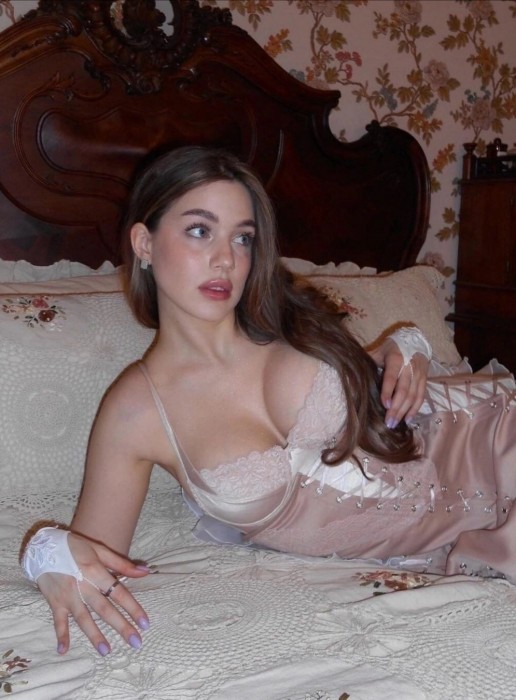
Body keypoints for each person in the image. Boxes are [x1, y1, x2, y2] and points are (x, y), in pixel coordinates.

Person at [21, 146, 516, 659]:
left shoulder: (286, 321)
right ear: (144, 242)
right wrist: (43, 553)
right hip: (460, 538)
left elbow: (383, 369)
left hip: (491, 438)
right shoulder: (136, 412)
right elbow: (90, 557)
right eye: (199, 230)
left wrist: (408, 346)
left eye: (243, 238)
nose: (226, 259)